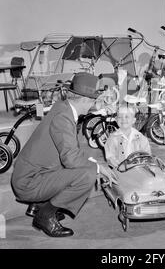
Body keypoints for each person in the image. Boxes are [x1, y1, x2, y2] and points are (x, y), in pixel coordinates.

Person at [11, 72, 117, 238]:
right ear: (85, 100)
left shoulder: (64, 107)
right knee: (87, 174)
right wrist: (97, 167)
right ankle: (45, 215)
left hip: (32, 173)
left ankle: (40, 205)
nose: (95, 103)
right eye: (94, 99)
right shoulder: (63, 117)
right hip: (29, 182)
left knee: (87, 165)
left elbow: (71, 149)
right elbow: (70, 158)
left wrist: (96, 162)